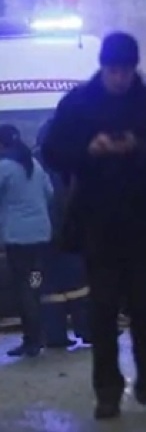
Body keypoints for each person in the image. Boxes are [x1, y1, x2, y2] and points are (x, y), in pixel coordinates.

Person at [41, 32, 146, 419]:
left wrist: (137, 149)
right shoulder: (79, 104)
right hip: (96, 223)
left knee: (145, 308)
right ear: (103, 67)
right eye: (114, 70)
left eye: (125, 71)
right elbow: (52, 150)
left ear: (133, 69)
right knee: (101, 310)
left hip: (144, 221)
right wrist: (88, 151)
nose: (119, 78)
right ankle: (106, 389)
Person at [33, 119, 90, 349]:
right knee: (78, 283)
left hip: (40, 237)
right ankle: (87, 330)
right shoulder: (66, 161)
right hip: (67, 234)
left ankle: (54, 335)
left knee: (44, 285)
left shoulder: (35, 162)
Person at [0, 124, 54, 358]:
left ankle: (31, 340)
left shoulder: (4, 167)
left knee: (23, 287)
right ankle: (39, 335)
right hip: (41, 236)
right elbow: (49, 194)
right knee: (34, 283)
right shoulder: (34, 164)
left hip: (18, 239)